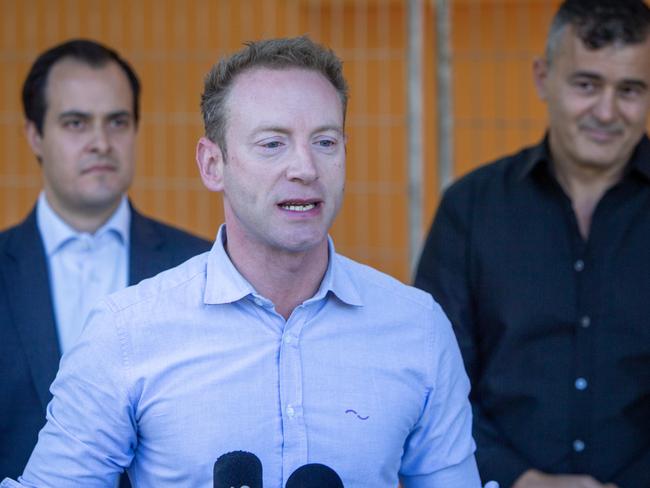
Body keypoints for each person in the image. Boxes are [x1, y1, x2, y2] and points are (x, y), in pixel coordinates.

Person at [0, 36, 481, 487]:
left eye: (325, 142)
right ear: (213, 165)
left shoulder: (417, 328)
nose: (305, 168)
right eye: (272, 143)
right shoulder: (126, 333)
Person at [414, 1, 650, 487]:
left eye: (630, 90)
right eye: (586, 85)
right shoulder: (471, 207)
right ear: (543, 78)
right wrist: (522, 480)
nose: (606, 112)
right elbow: (433, 379)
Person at [0, 39, 211, 482]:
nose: (101, 142)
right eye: (76, 123)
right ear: (35, 135)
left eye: (117, 122)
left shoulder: (201, 267)